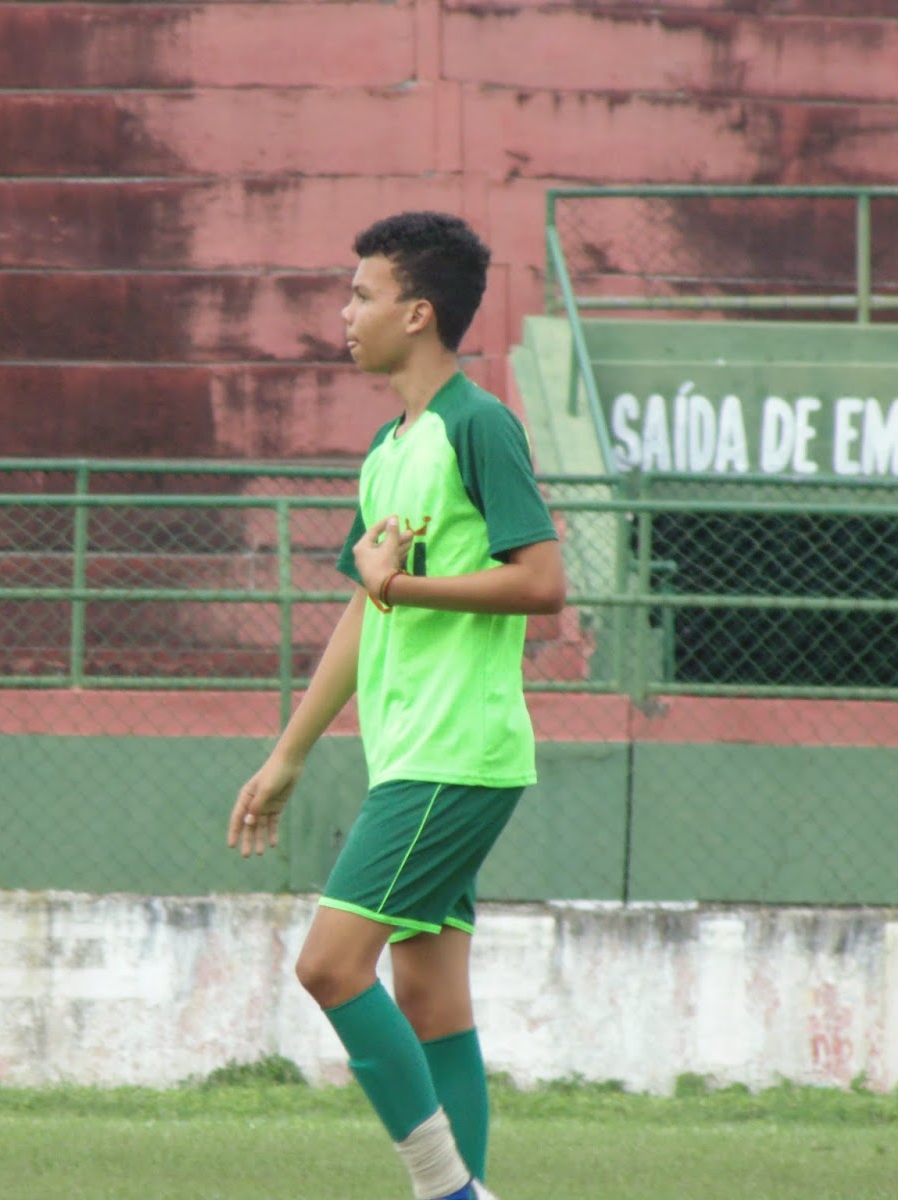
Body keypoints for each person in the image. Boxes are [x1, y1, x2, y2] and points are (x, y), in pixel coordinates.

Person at [227, 212, 566, 1200]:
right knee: (428, 998)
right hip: (414, 754)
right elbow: (361, 610)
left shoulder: (478, 424)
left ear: (417, 314)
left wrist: (399, 586)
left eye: (362, 295)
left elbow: (543, 582)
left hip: (454, 755)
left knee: (330, 968)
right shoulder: (389, 448)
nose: (345, 313)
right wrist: (289, 754)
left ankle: (448, 1190)